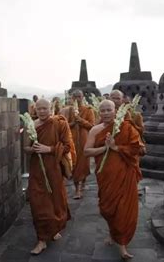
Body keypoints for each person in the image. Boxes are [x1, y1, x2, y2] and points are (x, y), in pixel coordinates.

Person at [84, 100, 142, 259]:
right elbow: (87, 151)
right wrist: (105, 147)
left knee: (123, 209)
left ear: (115, 110)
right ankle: (112, 231)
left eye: (109, 109)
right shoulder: (95, 130)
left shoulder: (126, 127)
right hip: (105, 176)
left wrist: (117, 147)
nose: (106, 113)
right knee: (108, 208)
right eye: (102, 110)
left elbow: (139, 148)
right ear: (99, 112)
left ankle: (122, 244)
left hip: (124, 174)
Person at [23, 99, 75, 255]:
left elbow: (67, 146)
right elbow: (25, 148)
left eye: (45, 108)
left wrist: (49, 149)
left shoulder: (60, 123)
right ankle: (41, 239)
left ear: (51, 108)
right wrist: (32, 149)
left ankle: (54, 228)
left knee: (55, 201)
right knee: (38, 203)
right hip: (37, 170)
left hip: (53, 169)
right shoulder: (31, 125)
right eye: (39, 109)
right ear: (35, 110)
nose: (42, 111)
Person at [60, 90, 95, 199]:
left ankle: (83, 181)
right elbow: (64, 126)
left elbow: (92, 126)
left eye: (79, 96)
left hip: (85, 140)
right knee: (75, 164)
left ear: (83, 97)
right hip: (72, 140)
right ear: (72, 98)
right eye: (74, 97)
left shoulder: (89, 110)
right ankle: (77, 190)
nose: (77, 99)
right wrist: (73, 123)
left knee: (83, 164)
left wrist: (81, 120)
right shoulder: (68, 111)